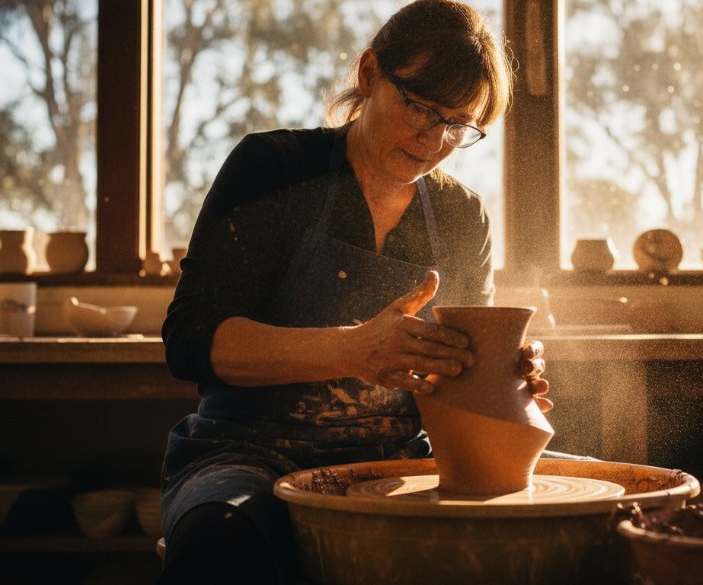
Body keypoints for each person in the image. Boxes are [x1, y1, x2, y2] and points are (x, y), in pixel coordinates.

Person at [157, 1, 559, 583]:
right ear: (370, 74)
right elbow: (188, 341)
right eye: (419, 107)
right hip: (247, 454)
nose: (433, 138)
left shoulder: (460, 213)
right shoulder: (273, 168)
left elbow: (455, 379)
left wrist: (501, 378)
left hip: (397, 459)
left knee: (600, 513)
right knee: (223, 536)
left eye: (457, 124)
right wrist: (350, 350)